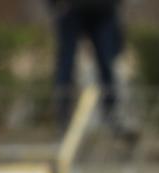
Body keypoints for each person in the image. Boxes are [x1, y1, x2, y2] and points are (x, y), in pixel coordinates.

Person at [48, 0, 128, 134]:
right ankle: (63, 116)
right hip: (70, 8)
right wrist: (55, 5)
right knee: (66, 64)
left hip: (103, 10)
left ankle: (112, 115)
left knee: (106, 64)